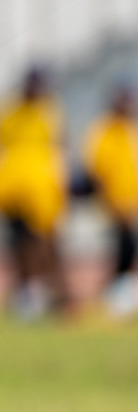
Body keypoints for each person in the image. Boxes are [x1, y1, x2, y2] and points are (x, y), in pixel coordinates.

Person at [0, 66, 72, 320]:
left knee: (46, 246)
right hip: (13, 193)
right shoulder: (7, 112)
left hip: (42, 193)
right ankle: (27, 297)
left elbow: (58, 148)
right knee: (19, 247)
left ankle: (54, 296)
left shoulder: (49, 112)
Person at [81, 82, 138, 318]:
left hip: (130, 201)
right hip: (114, 204)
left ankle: (116, 294)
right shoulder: (103, 131)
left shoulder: (130, 130)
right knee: (124, 249)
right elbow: (98, 170)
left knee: (128, 251)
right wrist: (112, 203)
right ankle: (115, 295)